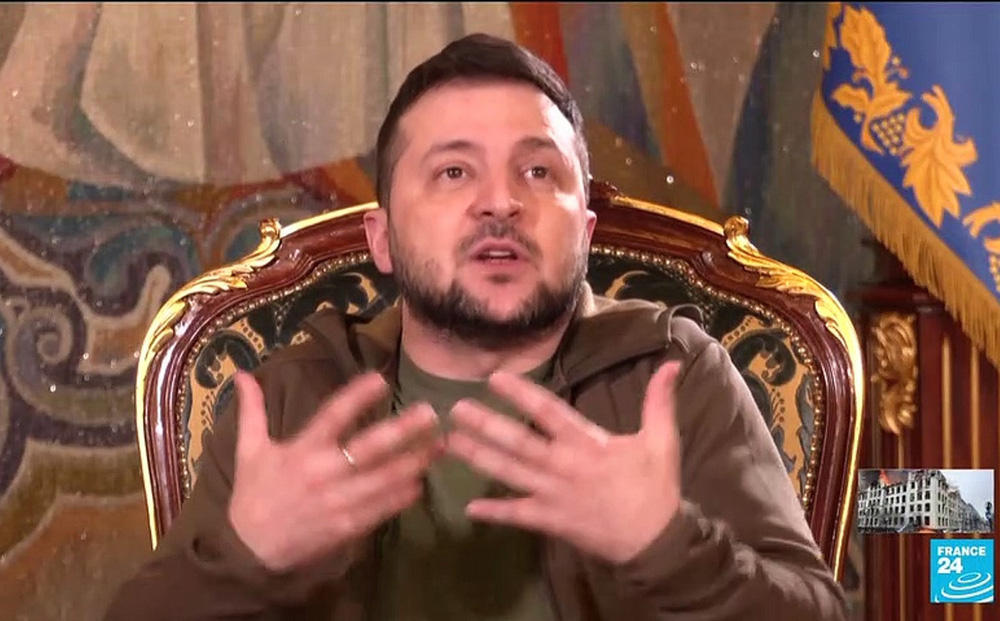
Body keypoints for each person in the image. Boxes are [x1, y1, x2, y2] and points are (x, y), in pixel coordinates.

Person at [106, 33, 847, 620]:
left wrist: (669, 547)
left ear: (585, 231)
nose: (500, 202)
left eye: (538, 172)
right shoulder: (295, 399)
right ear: (382, 239)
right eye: (453, 172)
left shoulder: (672, 374)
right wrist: (244, 560)